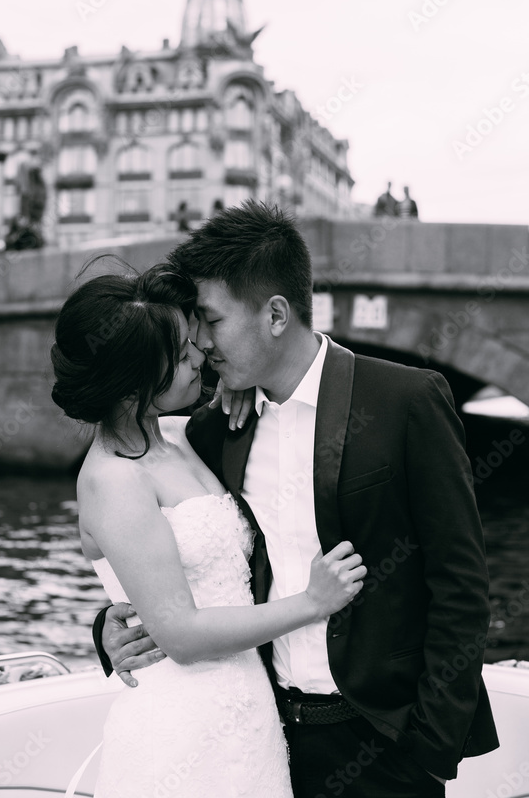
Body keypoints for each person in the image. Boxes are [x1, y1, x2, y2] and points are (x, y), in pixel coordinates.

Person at [94, 201, 499, 797]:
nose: (200, 344)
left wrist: (426, 746)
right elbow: (180, 557)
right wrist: (112, 623)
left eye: (211, 320)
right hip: (262, 737)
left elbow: (461, 583)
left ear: (276, 315)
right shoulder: (214, 429)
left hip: (383, 742)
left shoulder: (404, 401)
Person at [51, 263, 366, 797]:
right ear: (131, 383)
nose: (199, 354)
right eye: (179, 356)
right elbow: (181, 636)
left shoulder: (180, 434)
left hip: (251, 711)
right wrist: (314, 602)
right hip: (181, 727)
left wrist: (234, 389)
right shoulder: (111, 480)